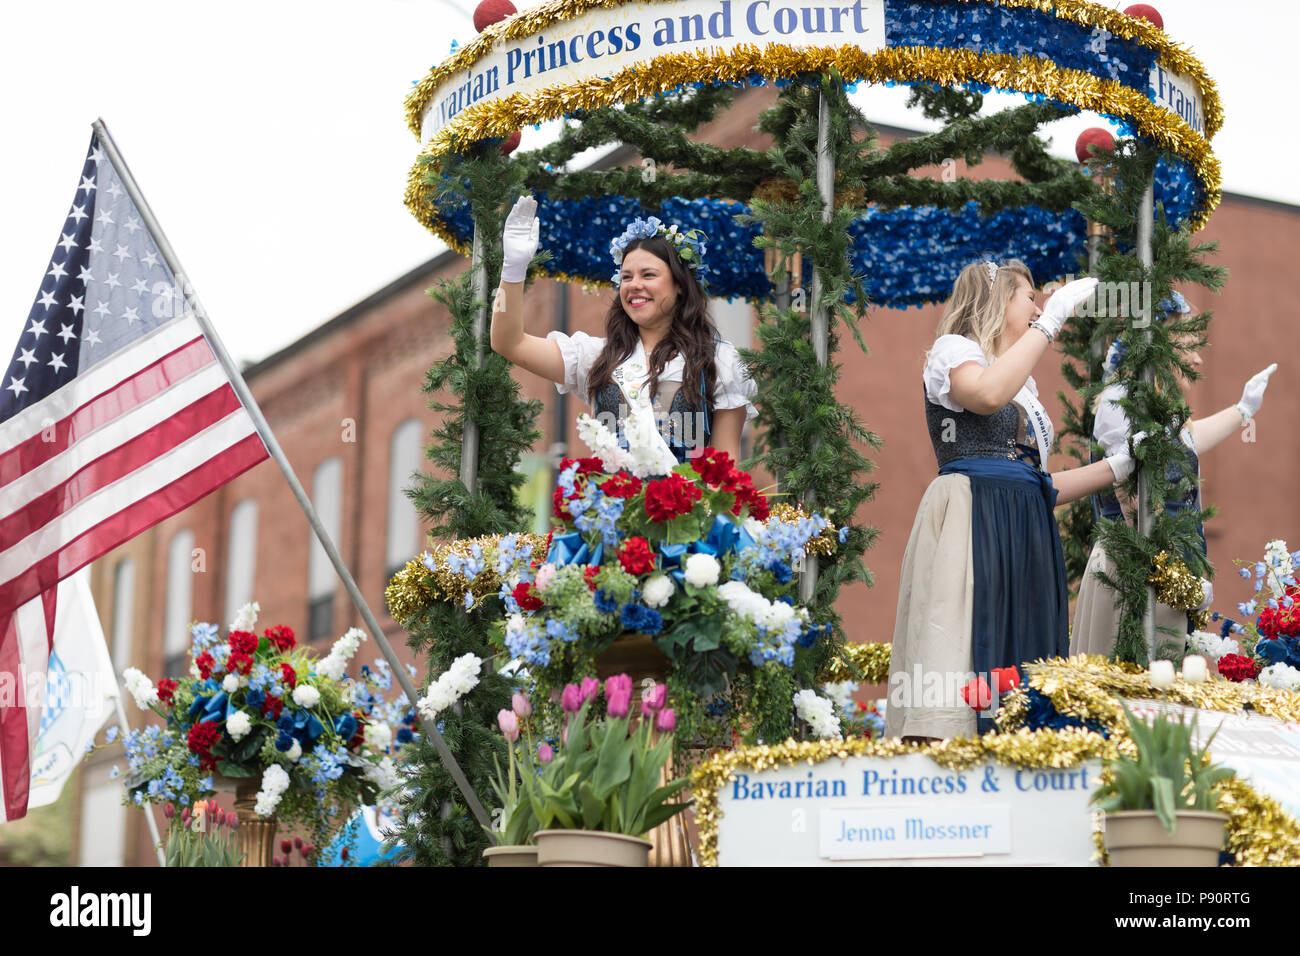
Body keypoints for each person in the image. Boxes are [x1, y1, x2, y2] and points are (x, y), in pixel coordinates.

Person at [886, 260, 1137, 742]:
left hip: (1023, 525)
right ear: (999, 300)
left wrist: (1120, 465)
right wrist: (1054, 317)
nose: (1038, 307)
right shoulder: (954, 351)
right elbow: (983, 394)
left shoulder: (1026, 388)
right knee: (958, 644)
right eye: (1030, 298)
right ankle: (949, 756)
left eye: (1042, 302)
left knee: (1022, 670)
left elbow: (1041, 484)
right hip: (971, 515)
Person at [1071, 293, 1278, 657]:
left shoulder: (1159, 410)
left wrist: (1243, 410)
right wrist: (1180, 579)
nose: (1198, 358)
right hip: (1131, 572)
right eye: (1188, 346)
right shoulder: (1123, 402)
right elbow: (1135, 510)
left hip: (1164, 571)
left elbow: (1190, 437)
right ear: (1160, 348)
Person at [489, 195, 756, 465]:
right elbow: (509, 343)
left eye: (648, 275)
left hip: (688, 506)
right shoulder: (596, 357)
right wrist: (513, 268)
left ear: (680, 285)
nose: (634, 285)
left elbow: (726, 469)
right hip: (613, 506)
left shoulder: (717, 361)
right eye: (626, 277)